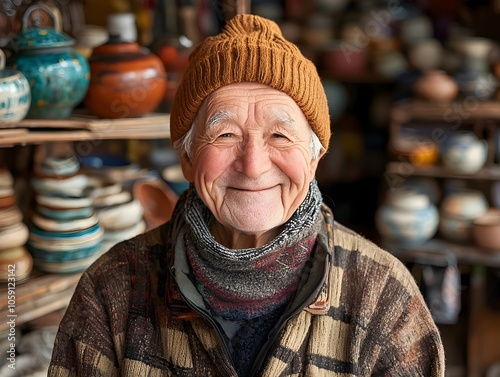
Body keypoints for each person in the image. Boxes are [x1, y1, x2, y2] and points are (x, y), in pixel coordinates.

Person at [49, 14, 445, 376]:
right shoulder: (111, 289)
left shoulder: (384, 297)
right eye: (225, 135)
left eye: (280, 135)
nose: (253, 165)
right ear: (187, 158)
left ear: (315, 159)